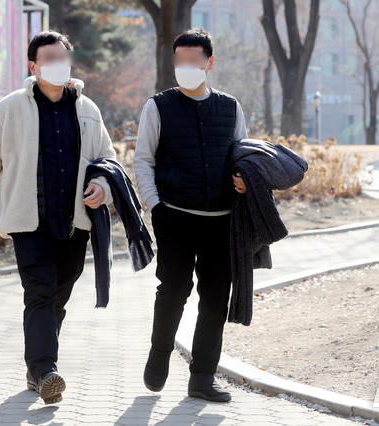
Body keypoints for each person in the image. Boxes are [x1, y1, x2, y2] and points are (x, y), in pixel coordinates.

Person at [0, 31, 117, 405]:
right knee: (41, 293)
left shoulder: (88, 110)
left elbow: (108, 161)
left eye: (64, 56)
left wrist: (103, 189)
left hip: (76, 223)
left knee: (58, 296)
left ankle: (37, 369)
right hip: (30, 224)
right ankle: (45, 369)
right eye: (50, 57)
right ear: (33, 65)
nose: (59, 64)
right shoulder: (8, 109)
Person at [133, 27, 248, 403]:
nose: (185, 68)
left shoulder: (230, 107)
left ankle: (202, 378)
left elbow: (241, 156)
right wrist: (156, 207)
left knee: (215, 300)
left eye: (193, 62)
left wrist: (245, 181)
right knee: (174, 291)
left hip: (222, 221)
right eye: (179, 61)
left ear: (209, 63)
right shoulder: (158, 106)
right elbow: (143, 159)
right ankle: (160, 352)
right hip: (175, 218)